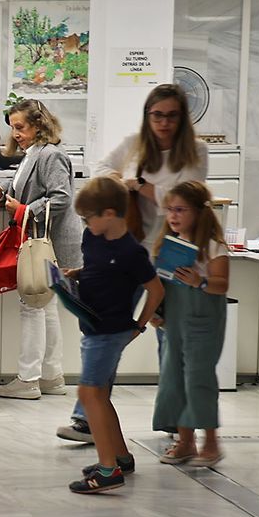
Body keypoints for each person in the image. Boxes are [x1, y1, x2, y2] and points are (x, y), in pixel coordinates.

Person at [58, 83, 209, 443]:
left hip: (174, 249)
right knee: (107, 331)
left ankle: (175, 416)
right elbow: (100, 169)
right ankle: (88, 418)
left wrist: (139, 184)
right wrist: (116, 181)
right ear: (148, 116)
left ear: (182, 118)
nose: (164, 123)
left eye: (172, 116)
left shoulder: (196, 152)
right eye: (157, 115)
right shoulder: (133, 144)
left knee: (170, 336)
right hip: (130, 248)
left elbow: (184, 201)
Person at [0, 99, 82, 400]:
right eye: (13, 128)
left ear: (39, 125)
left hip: (48, 243)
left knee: (33, 303)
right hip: (43, 241)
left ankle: (28, 378)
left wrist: (23, 209)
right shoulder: (35, 153)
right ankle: (51, 376)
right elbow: (24, 180)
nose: (16, 133)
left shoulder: (51, 154)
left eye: (20, 127)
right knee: (45, 305)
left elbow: (61, 198)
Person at [67, 177, 165, 495]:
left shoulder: (131, 251)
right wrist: (76, 275)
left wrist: (140, 325)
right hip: (94, 326)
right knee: (99, 396)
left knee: (88, 394)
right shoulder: (92, 237)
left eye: (88, 217)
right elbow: (97, 268)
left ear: (110, 214)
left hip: (109, 332)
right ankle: (120, 457)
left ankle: (108, 470)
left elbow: (156, 289)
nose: (86, 223)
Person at [152, 181, 230, 468]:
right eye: (170, 210)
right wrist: (154, 312)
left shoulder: (213, 246)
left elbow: (222, 285)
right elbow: (159, 283)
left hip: (204, 322)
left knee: (198, 379)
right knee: (173, 379)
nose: (173, 216)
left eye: (181, 210)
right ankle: (184, 441)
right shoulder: (167, 246)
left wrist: (201, 281)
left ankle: (211, 441)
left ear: (198, 212)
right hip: (175, 322)